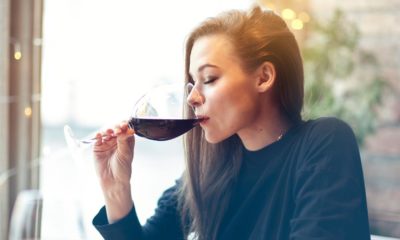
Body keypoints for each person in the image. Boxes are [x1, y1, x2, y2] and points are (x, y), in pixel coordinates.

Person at [92, 5, 371, 240]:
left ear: (263, 77)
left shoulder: (324, 142)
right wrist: (116, 188)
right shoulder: (208, 169)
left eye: (209, 79)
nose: (192, 98)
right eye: (191, 83)